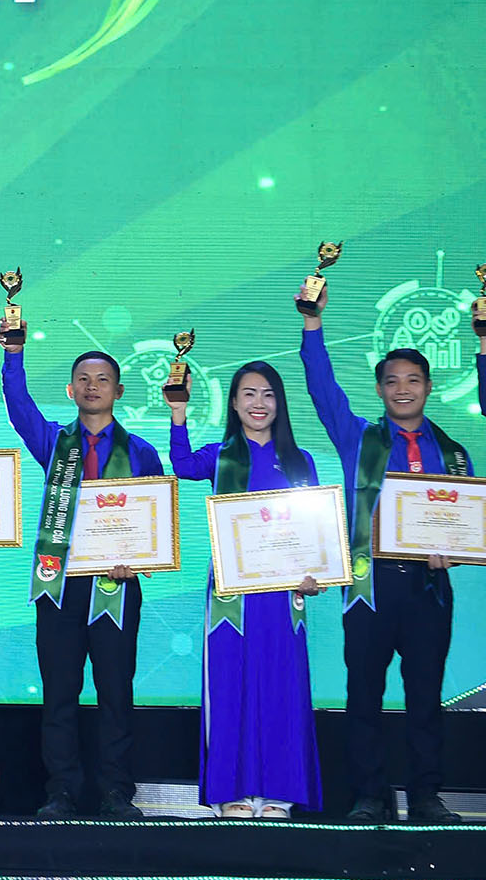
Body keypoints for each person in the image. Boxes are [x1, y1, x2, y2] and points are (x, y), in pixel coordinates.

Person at [299, 285, 471, 824]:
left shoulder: (454, 453)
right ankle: (370, 795)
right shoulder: (358, 437)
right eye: (392, 381)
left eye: (413, 380)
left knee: (425, 698)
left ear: (429, 386)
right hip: (369, 586)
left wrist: (453, 553)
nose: (403, 389)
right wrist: (313, 324)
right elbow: (322, 388)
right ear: (379, 389)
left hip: (428, 588)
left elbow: (464, 526)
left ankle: (426, 796)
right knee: (364, 696)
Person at [2, 343, 161, 821]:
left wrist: (138, 561)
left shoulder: (142, 452)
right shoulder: (55, 442)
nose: (93, 387)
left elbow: (152, 521)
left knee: (116, 693)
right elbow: (19, 406)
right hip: (60, 585)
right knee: (59, 694)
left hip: (116, 585)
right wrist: (14, 354)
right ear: (71, 390)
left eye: (102, 379)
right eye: (84, 380)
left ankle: (116, 791)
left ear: (119, 390)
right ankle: (62, 791)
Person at [169, 363, 323, 818]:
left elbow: (314, 530)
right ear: (234, 403)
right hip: (230, 594)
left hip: (282, 593)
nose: (259, 403)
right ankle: (231, 792)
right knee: (229, 684)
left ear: (280, 404)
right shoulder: (220, 456)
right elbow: (181, 465)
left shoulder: (299, 461)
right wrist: (178, 412)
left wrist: (315, 572)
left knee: (281, 685)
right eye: (249, 394)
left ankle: (278, 793)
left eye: (268, 394)